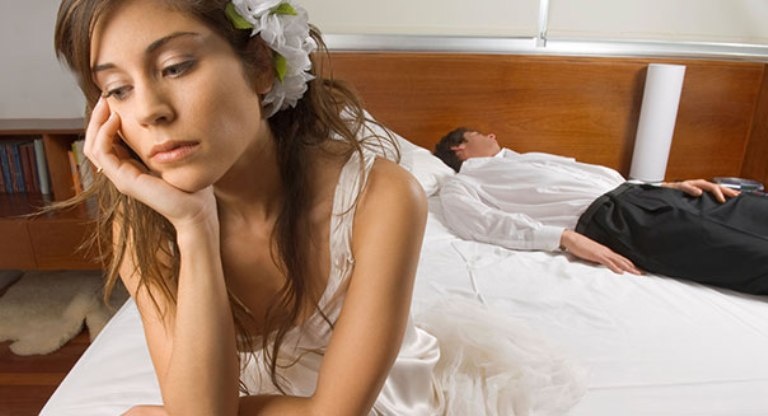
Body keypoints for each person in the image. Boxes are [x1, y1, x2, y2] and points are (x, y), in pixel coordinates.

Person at [53, 1, 587, 415]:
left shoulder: (383, 198)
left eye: (176, 66)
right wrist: (194, 225)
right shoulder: (143, 221)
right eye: (117, 89)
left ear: (259, 65)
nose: (148, 111)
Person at [434, 127, 768, 295]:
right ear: (458, 147)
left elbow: (598, 176)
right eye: (479, 133)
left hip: (641, 193)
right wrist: (565, 238)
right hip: (616, 218)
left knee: (745, 205)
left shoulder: (526, 158)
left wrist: (668, 185)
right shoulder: (462, 182)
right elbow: (481, 223)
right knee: (745, 252)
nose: (491, 134)